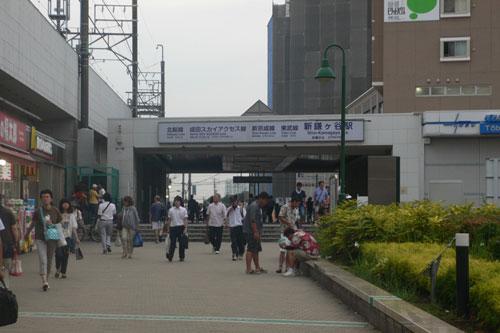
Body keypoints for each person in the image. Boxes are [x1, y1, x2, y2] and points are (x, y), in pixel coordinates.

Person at [24, 189, 62, 291]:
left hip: (52, 239)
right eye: (43, 197)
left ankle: (47, 279)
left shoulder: (55, 210)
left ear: (51, 199)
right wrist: (27, 234)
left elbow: (60, 223)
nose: (45, 199)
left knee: (49, 260)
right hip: (40, 238)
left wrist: (52, 224)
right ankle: (44, 281)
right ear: (41, 199)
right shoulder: (38, 211)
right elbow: (33, 223)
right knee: (43, 259)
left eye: (47, 197)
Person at [243, 192, 269, 274]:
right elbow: (253, 220)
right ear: (261, 199)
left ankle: (257, 267)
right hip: (251, 232)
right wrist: (256, 232)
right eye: (266, 201)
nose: (266, 203)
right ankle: (248, 269)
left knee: (256, 250)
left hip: (254, 231)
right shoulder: (254, 206)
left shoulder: (258, 207)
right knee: (250, 249)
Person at [55, 199, 80, 279]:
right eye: (64, 203)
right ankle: (58, 268)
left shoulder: (71, 215)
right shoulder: (57, 214)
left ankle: (63, 272)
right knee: (58, 254)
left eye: (67, 203)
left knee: (65, 255)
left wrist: (76, 238)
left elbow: (73, 228)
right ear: (61, 205)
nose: (65, 205)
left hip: (67, 237)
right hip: (58, 237)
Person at [276, 196, 301, 274]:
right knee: (282, 250)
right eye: (297, 204)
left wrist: (298, 228)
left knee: (289, 250)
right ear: (293, 202)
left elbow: (296, 220)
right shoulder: (285, 207)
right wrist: (288, 223)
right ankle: (280, 267)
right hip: (284, 232)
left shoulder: (296, 210)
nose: (298, 205)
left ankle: (287, 267)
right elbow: (280, 217)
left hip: (292, 233)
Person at [0, 197, 18, 288]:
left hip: (4, 245)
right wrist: (16, 242)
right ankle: (5, 290)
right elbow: (14, 229)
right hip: (7, 245)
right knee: (6, 270)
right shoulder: (8, 212)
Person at [166, 196, 188, 262]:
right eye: (175, 201)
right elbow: (169, 220)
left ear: (180, 202)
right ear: (174, 202)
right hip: (173, 227)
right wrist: (168, 228)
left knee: (182, 243)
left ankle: (182, 257)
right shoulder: (171, 210)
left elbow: (185, 219)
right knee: (172, 243)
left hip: (181, 227)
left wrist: (185, 228)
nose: (177, 202)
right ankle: (170, 256)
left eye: (178, 201)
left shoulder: (184, 210)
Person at [226, 196, 246, 261]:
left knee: (240, 242)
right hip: (232, 227)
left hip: (240, 226)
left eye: (234, 201)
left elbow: (244, 217)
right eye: (232, 202)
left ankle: (241, 253)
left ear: (237, 202)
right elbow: (226, 216)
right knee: (233, 241)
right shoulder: (229, 209)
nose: (233, 203)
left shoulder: (241, 209)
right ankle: (234, 253)